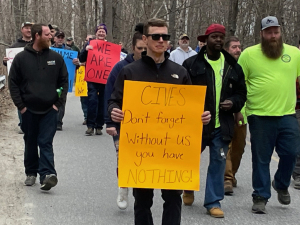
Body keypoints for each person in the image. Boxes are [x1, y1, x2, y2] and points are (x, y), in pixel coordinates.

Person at [108, 18, 211, 225]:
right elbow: (114, 101)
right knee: (143, 200)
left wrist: (201, 117)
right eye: (156, 36)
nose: (161, 40)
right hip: (141, 151)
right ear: (145, 39)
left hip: (173, 152)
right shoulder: (130, 72)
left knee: (173, 199)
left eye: (165, 36)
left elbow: (191, 109)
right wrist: (114, 112)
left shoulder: (180, 72)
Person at [182, 24, 246, 218]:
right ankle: (188, 187)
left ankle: (213, 201)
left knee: (218, 162)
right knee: (190, 158)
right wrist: (194, 112)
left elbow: (241, 93)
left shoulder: (234, 67)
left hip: (222, 124)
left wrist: (233, 103)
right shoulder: (191, 64)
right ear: (205, 40)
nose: (218, 40)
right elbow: (183, 94)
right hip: (197, 123)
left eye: (221, 37)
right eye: (214, 37)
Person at [238, 16, 300, 214]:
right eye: (269, 32)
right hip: (259, 115)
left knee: (291, 153)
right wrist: (240, 109)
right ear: (261, 34)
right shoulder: (248, 54)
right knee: (261, 159)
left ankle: (281, 183)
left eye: (276, 32)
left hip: (288, 114)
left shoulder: (294, 53)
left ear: (280, 33)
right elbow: (240, 84)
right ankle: (260, 196)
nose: (273, 36)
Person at [8, 23, 68, 191]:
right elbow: (13, 83)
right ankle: (31, 172)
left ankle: (47, 174)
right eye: (47, 34)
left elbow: (64, 81)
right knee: (30, 141)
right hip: (28, 109)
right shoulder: (21, 58)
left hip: (50, 110)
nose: (51, 37)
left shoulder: (56, 58)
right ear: (37, 36)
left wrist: (58, 104)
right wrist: (21, 106)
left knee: (45, 141)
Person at [105, 23, 147, 210]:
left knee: (143, 159)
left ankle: (141, 191)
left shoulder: (157, 68)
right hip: (122, 123)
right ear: (133, 48)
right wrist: (110, 121)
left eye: (147, 49)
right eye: (140, 49)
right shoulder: (120, 68)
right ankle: (123, 187)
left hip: (149, 125)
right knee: (123, 157)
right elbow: (109, 95)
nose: (143, 53)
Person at [223, 36, 246, 195]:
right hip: (225, 114)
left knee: (239, 147)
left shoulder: (241, 66)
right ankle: (227, 179)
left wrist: (239, 110)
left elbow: (241, 91)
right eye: (234, 47)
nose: (238, 50)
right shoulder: (222, 66)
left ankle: (232, 174)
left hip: (241, 112)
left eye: (239, 47)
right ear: (226, 49)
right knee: (227, 147)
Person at [3, 22, 34, 134]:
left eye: (31, 28)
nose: (29, 30)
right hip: (20, 80)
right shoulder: (14, 46)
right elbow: (10, 65)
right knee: (20, 101)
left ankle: (31, 123)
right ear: (22, 30)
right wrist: (5, 61)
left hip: (34, 79)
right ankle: (23, 123)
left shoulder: (36, 44)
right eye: (26, 28)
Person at [79, 24, 108, 135]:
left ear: (106, 34)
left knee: (102, 102)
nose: (101, 33)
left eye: (103, 31)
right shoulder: (89, 44)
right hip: (92, 78)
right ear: (96, 33)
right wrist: (86, 50)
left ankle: (99, 126)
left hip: (105, 79)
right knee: (92, 100)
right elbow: (81, 58)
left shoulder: (109, 46)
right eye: (99, 31)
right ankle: (90, 126)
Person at [51, 31, 72, 131]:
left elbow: (74, 67)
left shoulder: (69, 50)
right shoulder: (49, 49)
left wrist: (76, 63)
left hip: (63, 79)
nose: (60, 39)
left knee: (62, 100)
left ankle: (59, 121)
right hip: (51, 79)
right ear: (54, 38)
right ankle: (51, 120)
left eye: (62, 37)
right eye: (58, 37)